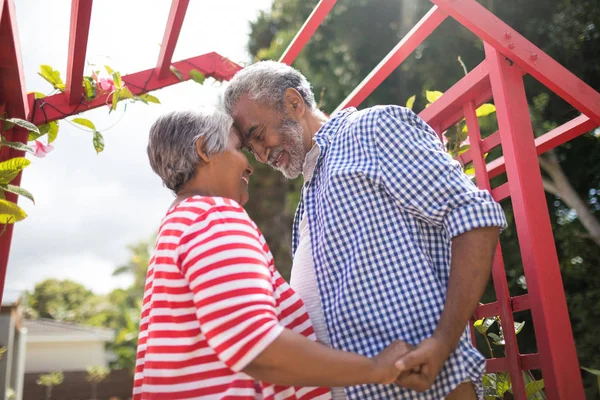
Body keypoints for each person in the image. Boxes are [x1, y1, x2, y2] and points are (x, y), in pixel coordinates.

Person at [223, 61, 507, 400]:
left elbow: (474, 214)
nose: (260, 154)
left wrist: (442, 343)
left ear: (293, 103)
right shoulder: (308, 198)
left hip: (424, 386)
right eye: (250, 148)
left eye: (257, 135)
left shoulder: (371, 128)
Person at [132, 108, 413, 400]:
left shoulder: (179, 225)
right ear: (204, 149)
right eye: (239, 148)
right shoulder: (214, 217)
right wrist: (376, 369)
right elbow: (257, 345)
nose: (251, 166)